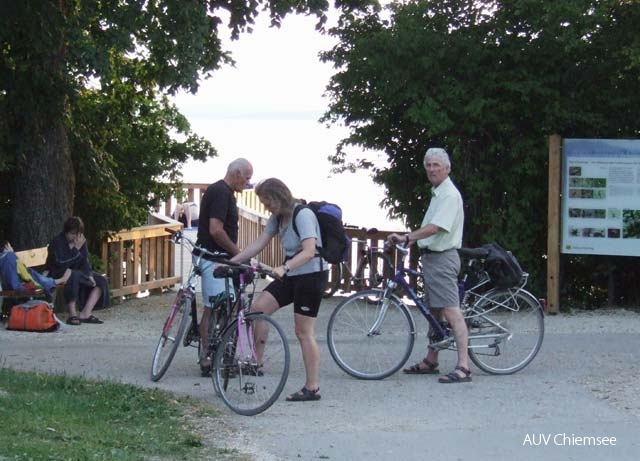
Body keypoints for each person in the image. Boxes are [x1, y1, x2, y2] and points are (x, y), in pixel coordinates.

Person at [230, 178, 328, 401]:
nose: (265, 208)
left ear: (278, 197)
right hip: (291, 274)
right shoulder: (278, 217)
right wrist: (232, 262)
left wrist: (285, 267)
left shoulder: (302, 214)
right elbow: (259, 243)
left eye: (267, 203)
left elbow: (310, 251)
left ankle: (312, 387)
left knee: (303, 332)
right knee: (258, 309)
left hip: (311, 275)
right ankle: (257, 362)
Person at [387, 147, 471, 383]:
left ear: (447, 168)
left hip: (443, 259)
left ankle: (463, 367)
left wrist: (407, 237)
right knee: (434, 311)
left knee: (452, 312)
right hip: (432, 258)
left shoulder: (448, 195)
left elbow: (436, 228)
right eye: (429, 165)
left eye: (436, 165)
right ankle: (431, 359)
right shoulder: (438, 193)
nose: (432, 169)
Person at [196, 158, 254, 375]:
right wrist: (238, 253)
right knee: (213, 306)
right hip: (213, 257)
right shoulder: (221, 193)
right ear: (237, 173)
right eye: (247, 178)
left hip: (220, 256)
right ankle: (206, 356)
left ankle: (222, 350)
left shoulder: (223, 191)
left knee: (230, 303)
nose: (248, 183)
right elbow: (215, 230)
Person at [45, 216, 110, 325]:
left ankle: (86, 313)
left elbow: (85, 260)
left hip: (76, 271)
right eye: (72, 234)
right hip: (58, 272)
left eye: (78, 233)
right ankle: (72, 314)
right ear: (66, 232)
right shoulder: (57, 242)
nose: (75, 237)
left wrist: (89, 274)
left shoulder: (81, 241)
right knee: (72, 275)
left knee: (101, 281)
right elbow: (61, 263)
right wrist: (75, 249)